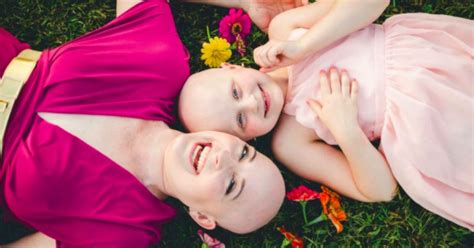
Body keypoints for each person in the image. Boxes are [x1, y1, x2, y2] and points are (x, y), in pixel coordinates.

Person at [0, 0, 292, 246]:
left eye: (230, 185)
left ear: (202, 217)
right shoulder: (162, 66)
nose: (223, 157)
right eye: (243, 153)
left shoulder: (127, 231)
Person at [178, 0, 474, 230]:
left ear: (233, 68)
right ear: (248, 140)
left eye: (235, 92)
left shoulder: (285, 29)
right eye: (241, 120)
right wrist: (346, 130)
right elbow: (381, 189)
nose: (252, 102)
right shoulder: (290, 141)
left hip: (431, 60)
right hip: (426, 124)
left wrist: (304, 46)